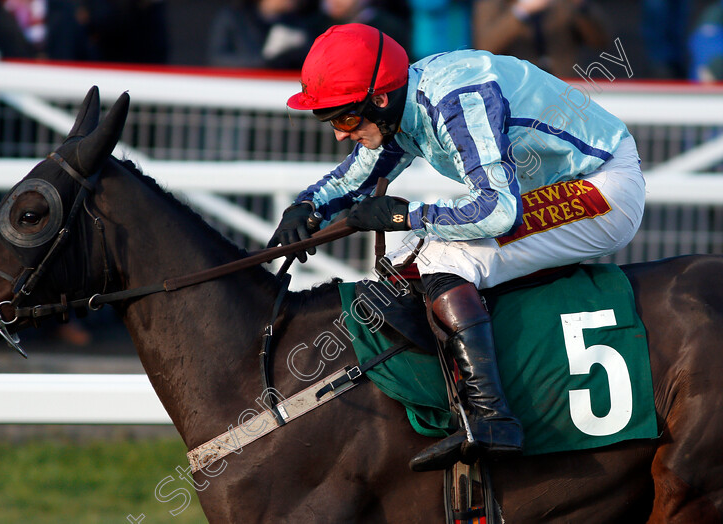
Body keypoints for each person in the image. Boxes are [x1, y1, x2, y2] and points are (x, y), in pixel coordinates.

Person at [270, 23, 645, 470]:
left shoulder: (456, 100)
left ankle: (490, 417)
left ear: (380, 99)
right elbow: (359, 174)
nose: (339, 134)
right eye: (329, 121)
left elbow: (495, 210)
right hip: (547, 191)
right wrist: (307, 208)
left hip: (601, 188)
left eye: (346, 119)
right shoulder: (399, 105)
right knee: (402, 257)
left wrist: (403, 215)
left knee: (440, 253)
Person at [472, 0, 610, 77]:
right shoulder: (492, 5)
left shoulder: (563, 6)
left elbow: (600, 40)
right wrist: (521, 12)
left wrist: (581, 7)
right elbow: (485, 46)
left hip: (564, 87)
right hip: (518, 88)